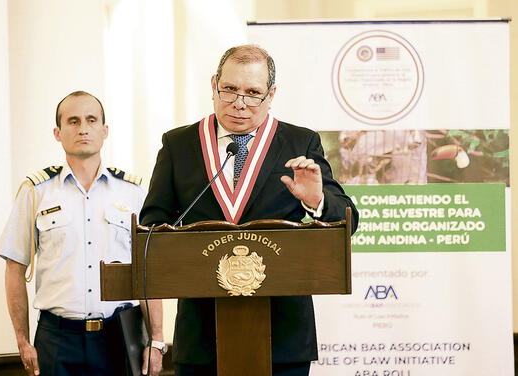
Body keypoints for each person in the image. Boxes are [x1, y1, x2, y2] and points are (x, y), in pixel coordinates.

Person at [140, 45, 359, 376]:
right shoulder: (179, 144)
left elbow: (349, 220)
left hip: (282, 334)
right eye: (229, 89)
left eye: (253, 93)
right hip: (201, 336)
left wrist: (316, 200)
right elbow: (152, 227)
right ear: (214, 84)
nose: (239, 103)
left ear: (271, 95)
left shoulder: (300, 142)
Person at [0, 91, 165, 376]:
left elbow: (147, 272)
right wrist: (23, 342)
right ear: (58, 133)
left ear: (104, 130)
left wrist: (157, 340)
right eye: (73, 121)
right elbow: (15, 266)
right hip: (57, 337)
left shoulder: (133, 191)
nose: (83, 128)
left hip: (119, 336)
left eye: (91, 120)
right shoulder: (37, 191)